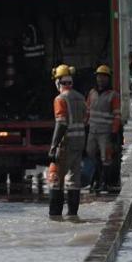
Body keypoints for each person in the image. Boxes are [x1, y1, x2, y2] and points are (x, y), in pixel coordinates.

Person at [47, 64, 87, 218]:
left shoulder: (60, 99)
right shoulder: (80, 97)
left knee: (55, 179)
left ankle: (55, 216)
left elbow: (61, 123)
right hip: (79, 142)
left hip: (66, 144)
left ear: (58, 82)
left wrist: (53, 146)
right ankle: (72, 215)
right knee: (73, 180)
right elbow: (86, 119)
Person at [85, 65, 123, 193]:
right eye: (99, 77)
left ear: (108, 78)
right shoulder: (92, 93)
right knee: (91, 153)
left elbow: (117, 115)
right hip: (92, 131)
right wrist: (86, 125)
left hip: (106, 132)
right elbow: (87, 111)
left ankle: (106, 182)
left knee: (106, 158)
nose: (100, 79)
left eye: (103, 77)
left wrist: (114, 131)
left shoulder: (113, 95)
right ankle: (96, 179)